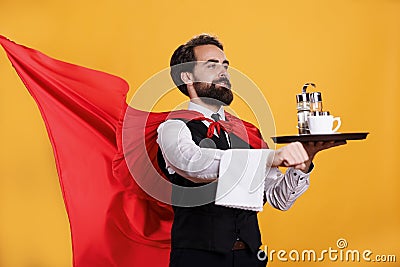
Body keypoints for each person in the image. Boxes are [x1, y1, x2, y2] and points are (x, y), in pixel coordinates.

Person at [156, 34, 344, 267]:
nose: (223, 72)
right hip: (198, 259)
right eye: (212, 65)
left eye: (225, 65)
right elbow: (194, 164)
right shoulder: (173, 127)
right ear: (187, 76)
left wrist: (305, 158)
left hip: (250, 257)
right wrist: (271, 157)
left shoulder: (246, 132)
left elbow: (279, 198)